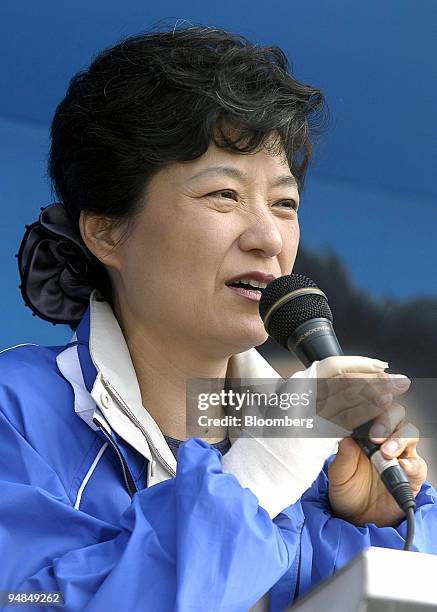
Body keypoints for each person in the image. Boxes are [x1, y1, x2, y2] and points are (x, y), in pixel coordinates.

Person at [1, 23, 436, 612]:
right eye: (222, 196)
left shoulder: (319, 461)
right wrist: (255, 479)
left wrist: (371, 528)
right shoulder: (16, 413)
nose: (267, 238)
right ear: (106, 230)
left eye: (284, 203)